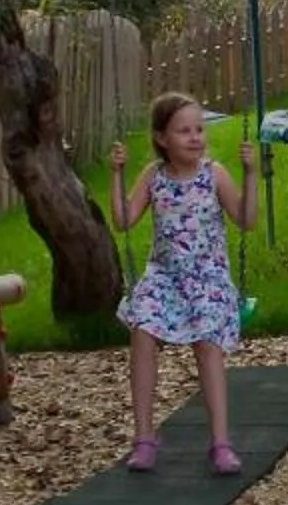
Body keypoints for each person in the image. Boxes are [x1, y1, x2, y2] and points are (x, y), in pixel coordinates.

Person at [109, 93, 258, 474]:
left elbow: (246, 220)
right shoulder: (152, 177)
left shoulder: (214, 174)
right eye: (184, 131)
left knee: (207, 343)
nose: (195, 138)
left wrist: (251, 175)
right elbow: (124, 220)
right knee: (142, 332)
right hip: (164, 277)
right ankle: (143, 437)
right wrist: (115, 175)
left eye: (199, 130)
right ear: (162, 138)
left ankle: (220, 443)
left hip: (208, 277)